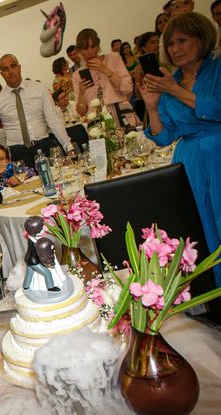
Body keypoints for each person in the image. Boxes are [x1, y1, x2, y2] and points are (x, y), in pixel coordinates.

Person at [141, 12, 221, 286]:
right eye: (171, 44)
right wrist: (152, 107)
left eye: (182, 41)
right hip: (188, 162)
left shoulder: (218, 68)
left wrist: (175, 90)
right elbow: (164, 138)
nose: (175, 49)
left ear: (201, 39)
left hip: (218, 152)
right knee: (201, 229)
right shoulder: (170, 80)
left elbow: (216, 108)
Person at [0, 53, 73, 169]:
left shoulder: (39, 89)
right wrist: (2, 154)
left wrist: (68, 148)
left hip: (44, 146)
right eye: (5, 69)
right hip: (18, 153)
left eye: (13, 66)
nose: (10, 71)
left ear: (19, 67)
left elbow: (54, 121)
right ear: (1, 74)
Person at [73, 28, 135, 127]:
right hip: (97, 123)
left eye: (93, 46)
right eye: (85, 48)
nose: (90, 52)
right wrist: (81, 94)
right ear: (79, 50)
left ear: (98, 46)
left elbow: (128, 88)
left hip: (122, 114)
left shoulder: (114, 58)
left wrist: (106, 70)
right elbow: (81, 112)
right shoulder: (77, 75)